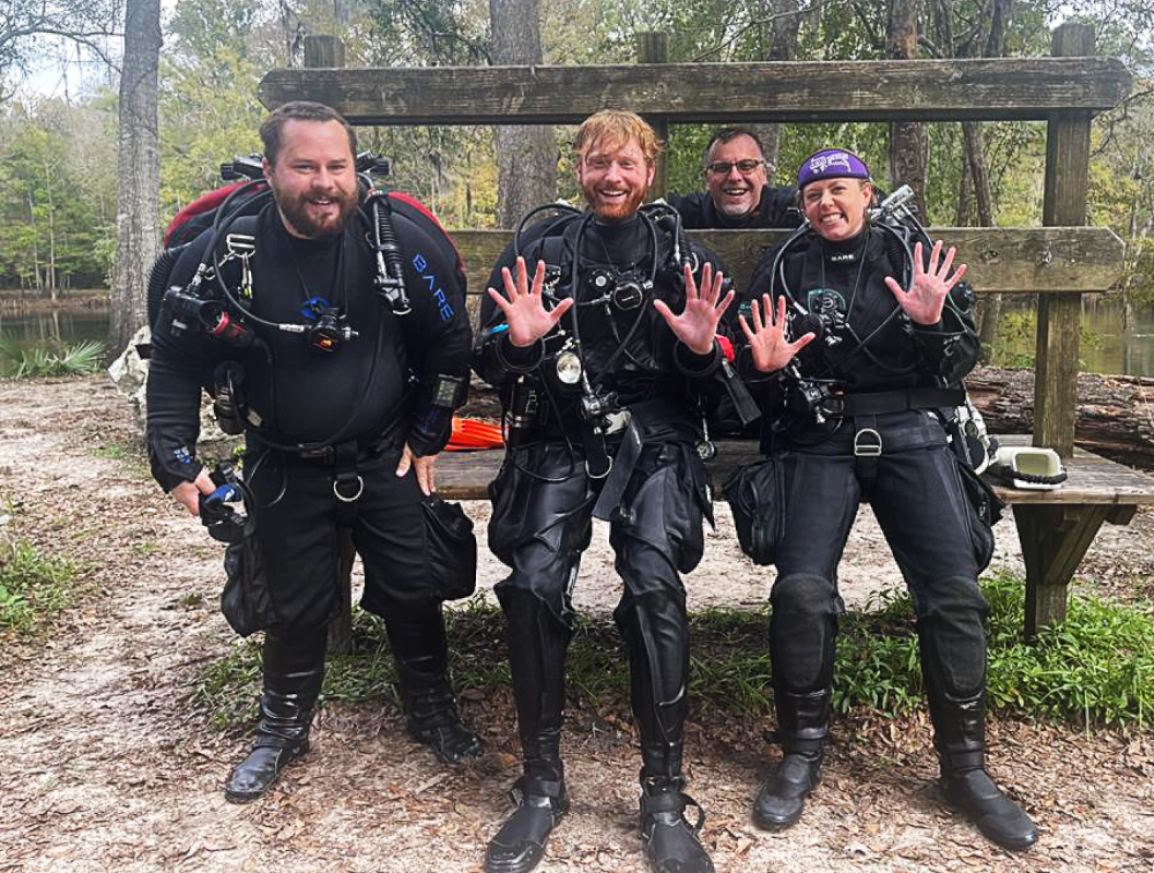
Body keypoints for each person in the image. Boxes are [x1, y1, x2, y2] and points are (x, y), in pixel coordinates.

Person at [146, 101, 481, 804]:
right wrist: (171, 453)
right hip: (282, 456)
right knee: (291, 603)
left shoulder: (400, 243)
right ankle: (282, 728)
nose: (323, 182)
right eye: (305, 166)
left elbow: (451, 343)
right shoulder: (227, 250)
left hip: (385, 451)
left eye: (337, 166)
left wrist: (432, 429)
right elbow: (176, 357)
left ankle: (431, 708)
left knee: (414, 586)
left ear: (356, 170)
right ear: (269, 170)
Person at [730, 148, 1038, 851]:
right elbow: (751, 367)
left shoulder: (911, 250)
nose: (825, 204)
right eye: (812, 195)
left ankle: (966, 768)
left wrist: (934, 325)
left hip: (910, 426)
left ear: (866, 194)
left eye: (839, 190)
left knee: (954, 592)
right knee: (800, 591)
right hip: (818, 432)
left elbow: (963, 360)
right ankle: (801, 751)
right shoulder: (783, 266)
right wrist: (767, 368)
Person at [474, 110, 742, 873]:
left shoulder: (678, 254)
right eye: (598, 163)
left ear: (650, 171)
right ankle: (540, 785)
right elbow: (485, 359)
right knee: (530, 583)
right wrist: (518, 343)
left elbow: (720, 393)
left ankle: (663, 794)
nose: (612, 177)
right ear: (580, 169)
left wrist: (697, 355)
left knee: (656, 583)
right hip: (557, 428)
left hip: (654, 434)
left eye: (626, 163)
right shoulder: (538, 248)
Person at [666, 127, 802, 229]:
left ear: (764, 174)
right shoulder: (687, 213)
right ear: (707, 178)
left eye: (746, 166)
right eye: (721, 168)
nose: (734, 177)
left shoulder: (789, 208)